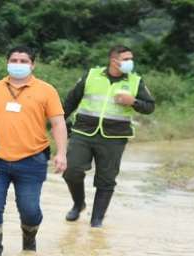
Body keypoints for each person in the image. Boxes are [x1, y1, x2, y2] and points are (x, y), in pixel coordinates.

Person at [0, 46, 68, 256]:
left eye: (23, 61)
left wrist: (62, 153)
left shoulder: (46, 90)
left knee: (29, 209)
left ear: (33, 64)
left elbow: (57, 123)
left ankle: (29, 241)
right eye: (14, 60)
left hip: (32, 160)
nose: (18, 64)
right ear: (7, 62)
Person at [62, 45, 155, 227]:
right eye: (126, 59)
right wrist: (58, 124)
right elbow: (71, 101)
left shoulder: (136, 81)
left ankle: (96, 220)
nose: (130, 62)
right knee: (71, 171)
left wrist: (133, 102)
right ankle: (78, 204)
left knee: (106, 179)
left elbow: (150, 107)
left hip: (114, 137)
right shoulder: (91, 75)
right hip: (83, 132)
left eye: (131, 59)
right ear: (114, 61)